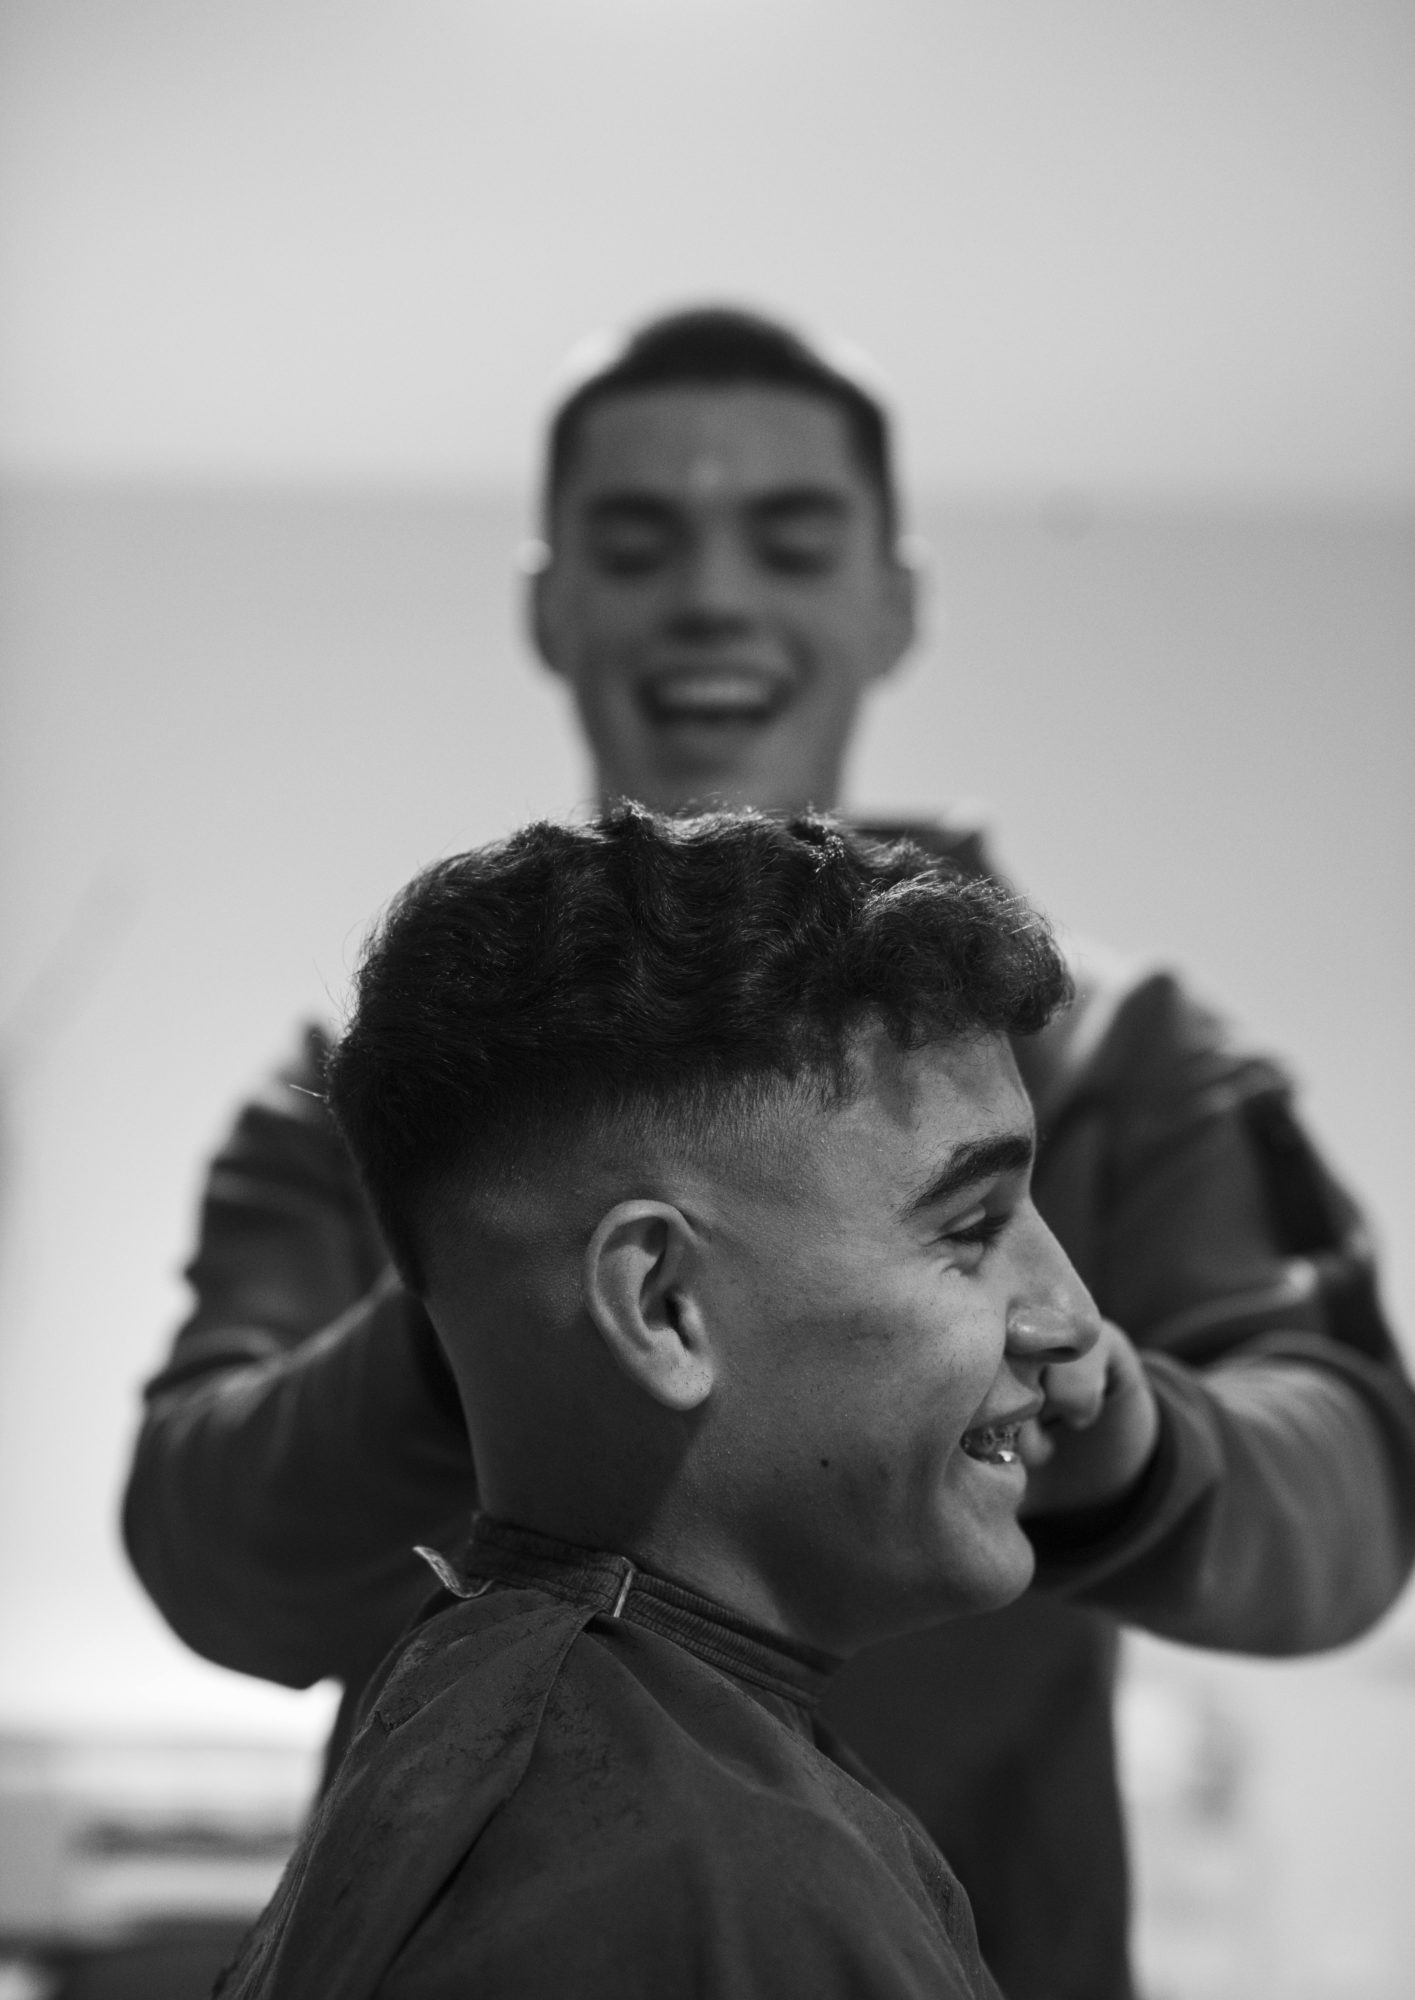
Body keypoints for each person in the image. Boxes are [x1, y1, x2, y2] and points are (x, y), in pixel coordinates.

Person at [125, 309, 1415, 2000]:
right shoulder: (368, 1100)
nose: (713, 598)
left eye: (790, 543)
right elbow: (211, 1558)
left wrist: (1102, 1431)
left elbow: (1352, 1505)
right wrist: (495, 1295)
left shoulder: (1125, 1053)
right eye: (638, 544)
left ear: (893, 605)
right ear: (548, 608)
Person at [218, 805, 1161, 1999]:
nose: (1070, 1315)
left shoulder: (460, 1750)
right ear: (662, 1305)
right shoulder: (726, 1897)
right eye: (970, 1226)